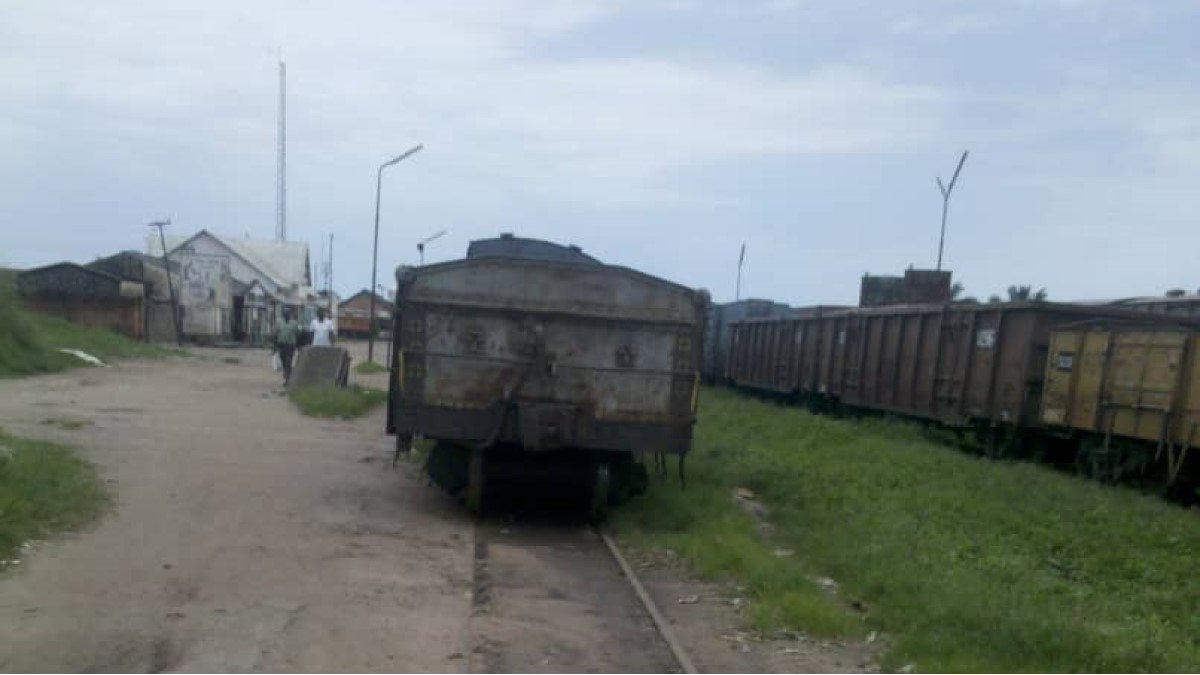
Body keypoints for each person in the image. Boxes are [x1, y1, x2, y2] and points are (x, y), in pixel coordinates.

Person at [273, 309, 300, 385]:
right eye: (285, 314)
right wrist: (275, 346)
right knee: (284, 361)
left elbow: (298, 333)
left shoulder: (294, 323)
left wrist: (297, 345)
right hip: (281, 345)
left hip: (290, 346)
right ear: (283, 315)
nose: (286, 315)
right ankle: (286, 374)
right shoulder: (279, 323)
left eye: (288, 314)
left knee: (288, 361)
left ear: (290, 315)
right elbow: (275, 334)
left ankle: (288, 379)